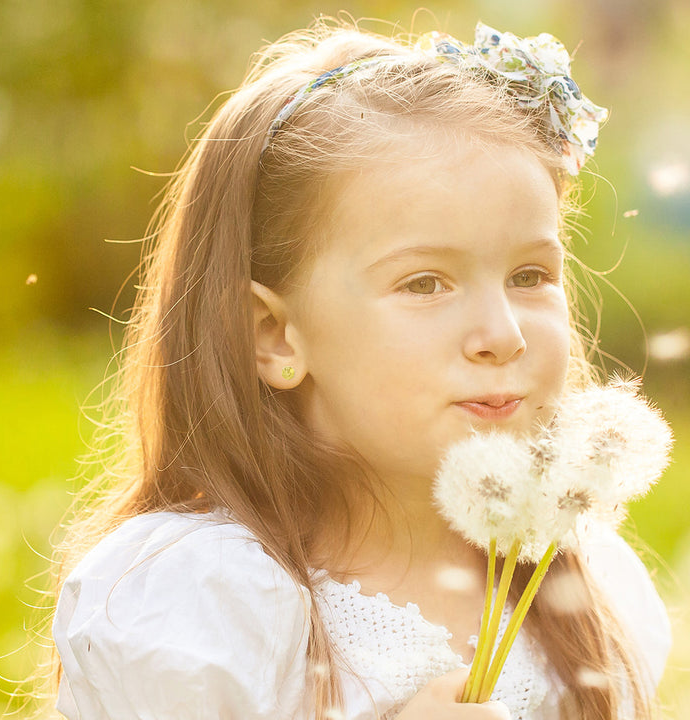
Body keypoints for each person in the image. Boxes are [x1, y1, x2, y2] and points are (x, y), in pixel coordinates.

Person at [50, 16, 671, 720]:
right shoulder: (203, 604)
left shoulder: (588, 596)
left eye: (530, 274)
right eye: (425, 283)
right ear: (276, 336)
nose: (502, 336)